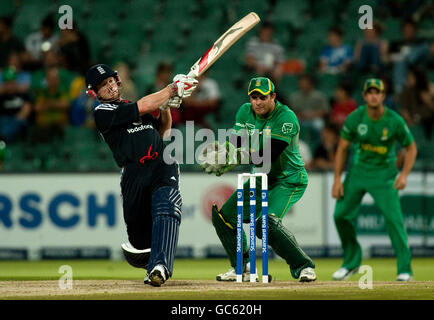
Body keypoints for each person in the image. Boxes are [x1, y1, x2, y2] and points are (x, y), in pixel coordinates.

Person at [86, 64, 197, 286]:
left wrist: (165, 107)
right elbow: (144, 104)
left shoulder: (134, 107)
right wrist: (171, 89)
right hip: (133, 173)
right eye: (102, 85)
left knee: (167, 204)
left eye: (110, 81)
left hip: (161, 164)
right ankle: (151, 262)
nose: (108, 86)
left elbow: (164, 131)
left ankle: (161, 267)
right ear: (94, 93)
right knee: (139, 243)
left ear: (116, 81)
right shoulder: (103, 113)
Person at [199, 77, 317, 283]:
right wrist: (224, 153)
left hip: (288, 179)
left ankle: (304, 266)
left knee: (265, 223)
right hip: (260, 178)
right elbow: (236, 142)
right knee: (224, 216)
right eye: (254, 97)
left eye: (262, 97)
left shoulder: (286, 118)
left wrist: (236, 157)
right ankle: (241, 269)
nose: (258, 102)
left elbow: (269, 154)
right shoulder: (245, 112)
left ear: (273, 96)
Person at [332, 78, 417, 282]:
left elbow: (411, 148)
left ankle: (405, 269)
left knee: (394, 221)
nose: (373, 95)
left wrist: (404, 174)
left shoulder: (394, 120)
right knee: (340, 215)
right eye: (369, 92)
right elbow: (342, 148)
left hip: (384, 176)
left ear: (383, 96)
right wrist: (337, 179)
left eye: (377, 92)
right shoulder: (355, 118)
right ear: (364, 96)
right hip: (358, 173)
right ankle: (351, 262)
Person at [399, 67, 434, 140]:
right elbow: (404, 110)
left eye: (411, 77)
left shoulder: (428, 89)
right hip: (412, 120)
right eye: (408, 77)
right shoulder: (406, 91)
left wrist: (428, 100)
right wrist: (409, 120)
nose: (408, 79)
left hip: (427, 121)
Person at [0, 67, 32, 142]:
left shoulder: (23, 95)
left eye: (12, 83)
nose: (10, 85)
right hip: (4, 120)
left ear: (16, 82)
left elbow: (27, 108)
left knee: (18, 123)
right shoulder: (2, 96)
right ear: (4, 84)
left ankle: (3, 138)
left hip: (19, 120)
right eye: (7, 83)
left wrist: (17, 119)